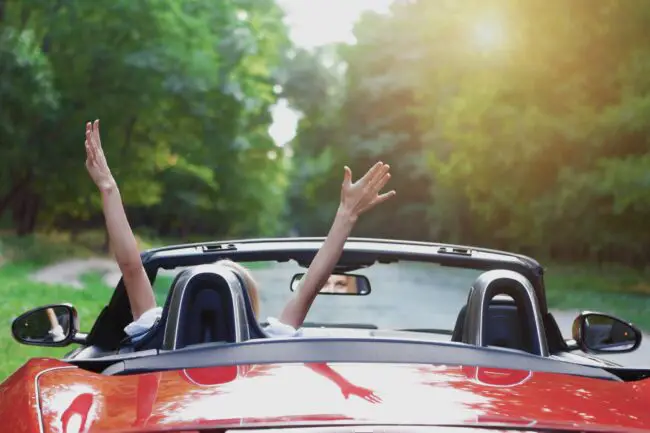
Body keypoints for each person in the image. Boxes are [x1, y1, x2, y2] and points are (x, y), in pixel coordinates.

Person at [84, 119, 396, 342]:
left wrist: (109, 188)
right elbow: (309, 286)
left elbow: (132, 268)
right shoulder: (268, 341)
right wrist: (346, 215)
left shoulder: (154, 333)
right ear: (248, 305)